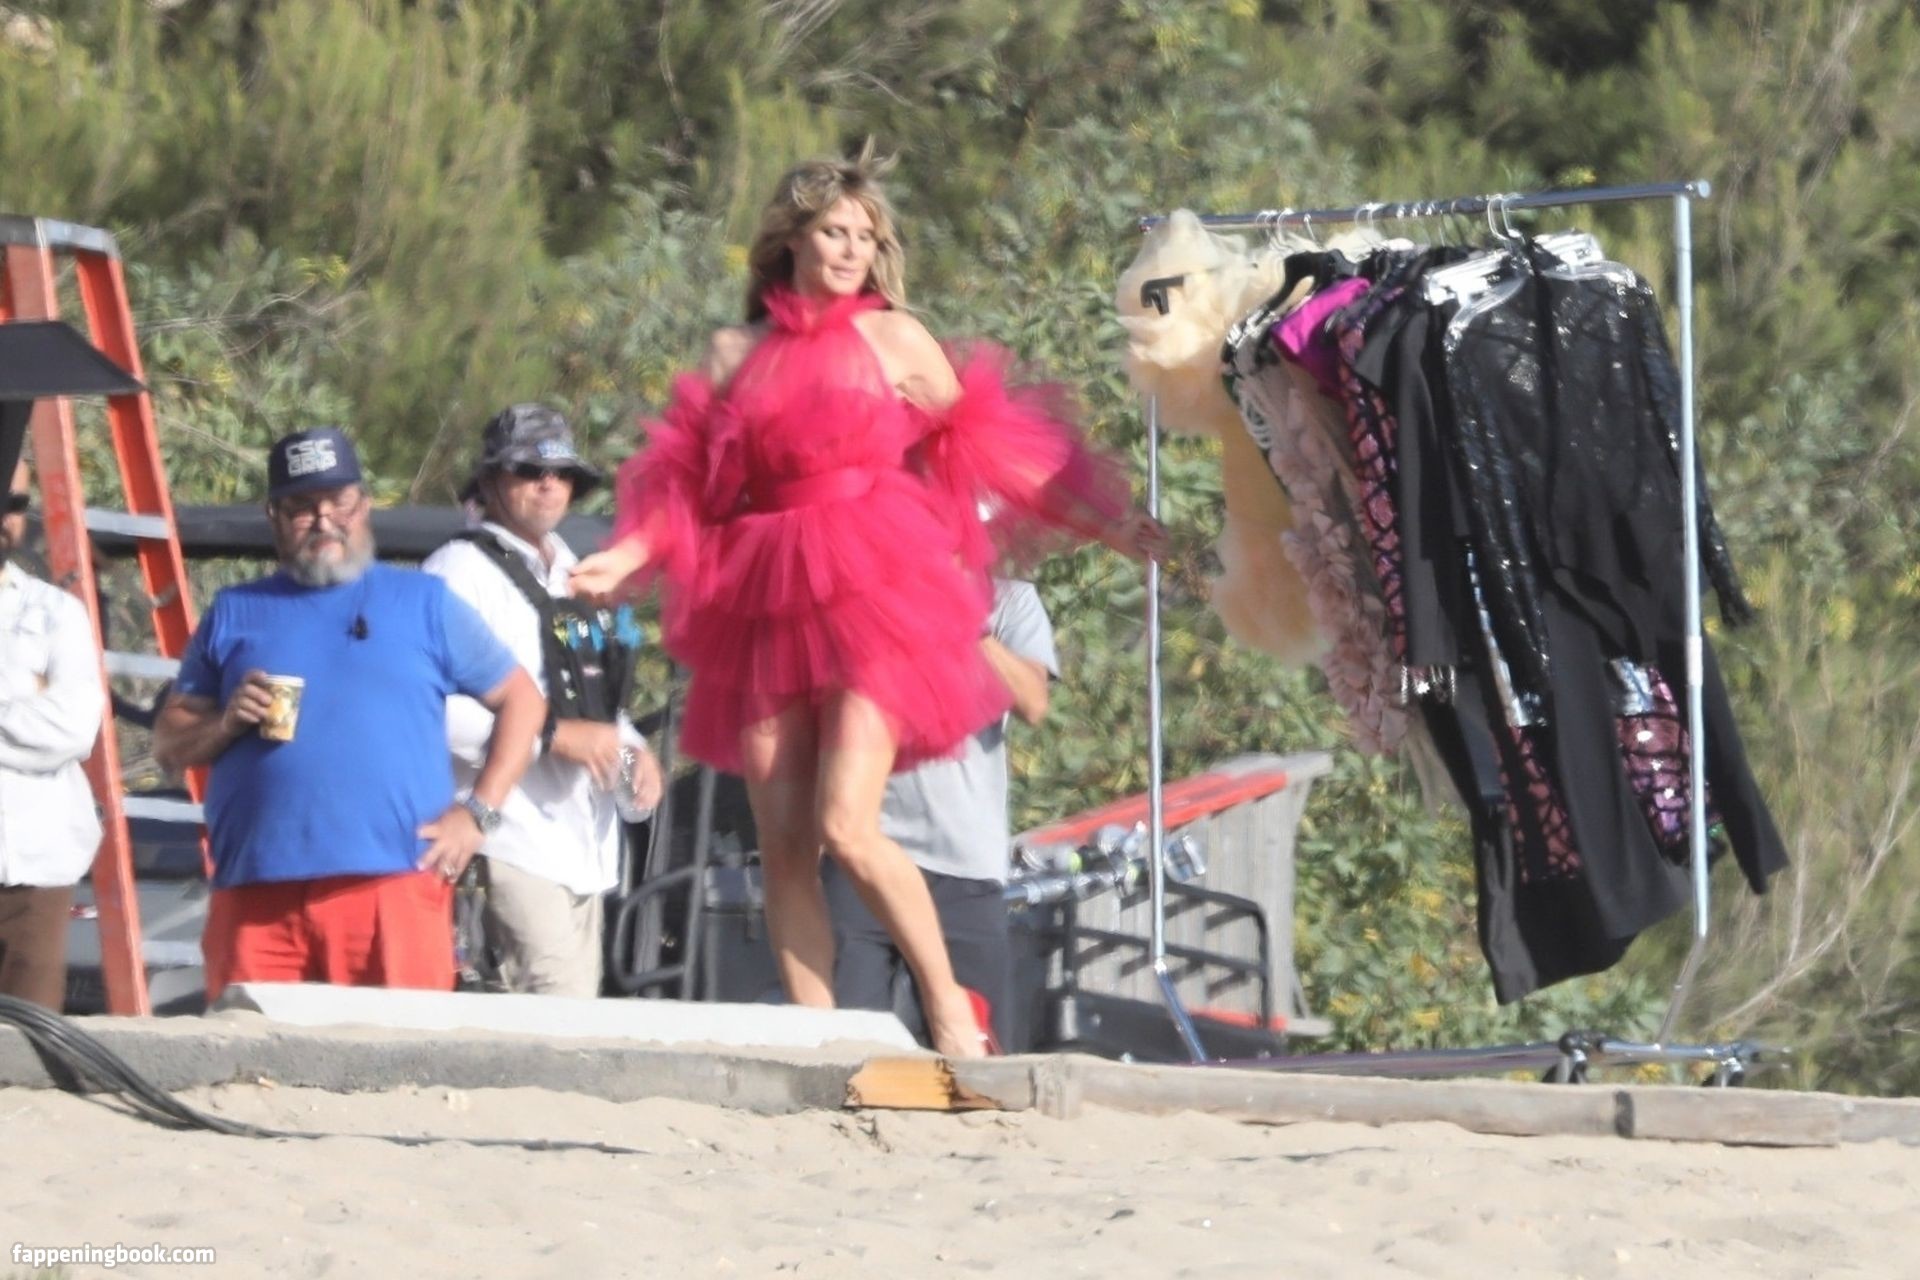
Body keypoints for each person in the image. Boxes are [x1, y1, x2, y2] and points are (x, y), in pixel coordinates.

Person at [570, 148, 1166, 1058]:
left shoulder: (896, 339)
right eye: (833, 231)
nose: (851, 249)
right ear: (792, 240)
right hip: (765, 595)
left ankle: (948, 1007)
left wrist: (1111, 525)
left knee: (847, 825)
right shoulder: (736, 353)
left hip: (876, 584)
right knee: (783, 846)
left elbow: (997, 453)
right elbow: (684, 484)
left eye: (864, 235)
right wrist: (622, 555)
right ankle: (824, 1046)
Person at [152, 428, 545, 1002]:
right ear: (273, 517)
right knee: (246, 1051)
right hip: (255, 892)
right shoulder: (236, 611)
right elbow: (169, 744)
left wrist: (477, 814)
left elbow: (524, 701)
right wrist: (227, 721)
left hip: (394, 884)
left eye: (338, 502)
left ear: (364, 505)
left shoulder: (424, 602)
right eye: (301, 507)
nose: (323, 520)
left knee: (395, 1053)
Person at [422, 404, 663, 998]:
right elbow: (426, 707)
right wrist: (553, 737)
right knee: (554, 1026)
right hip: (509, 841)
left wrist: (633, 750)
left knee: (571, 1021)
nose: (548, 484)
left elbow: (597, 699)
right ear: (490, 482)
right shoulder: (458, 571)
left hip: (585, 853)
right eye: (529, 471)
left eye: (562, 473)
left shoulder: (575, 572)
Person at [823, 579, 1055, 1050]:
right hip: (865, 856)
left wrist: (965, 621)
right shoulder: (868, 581)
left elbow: (1033, 701)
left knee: (976, 1050)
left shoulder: (1011, 599)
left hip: (965, 867)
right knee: (842, 1046)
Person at [0, 460, 105, 1010]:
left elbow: (74, 728)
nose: (4, 516)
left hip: (35, 873)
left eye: (15, 504)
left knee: (28, 1046)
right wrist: (23, 699)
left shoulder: (56, 612)